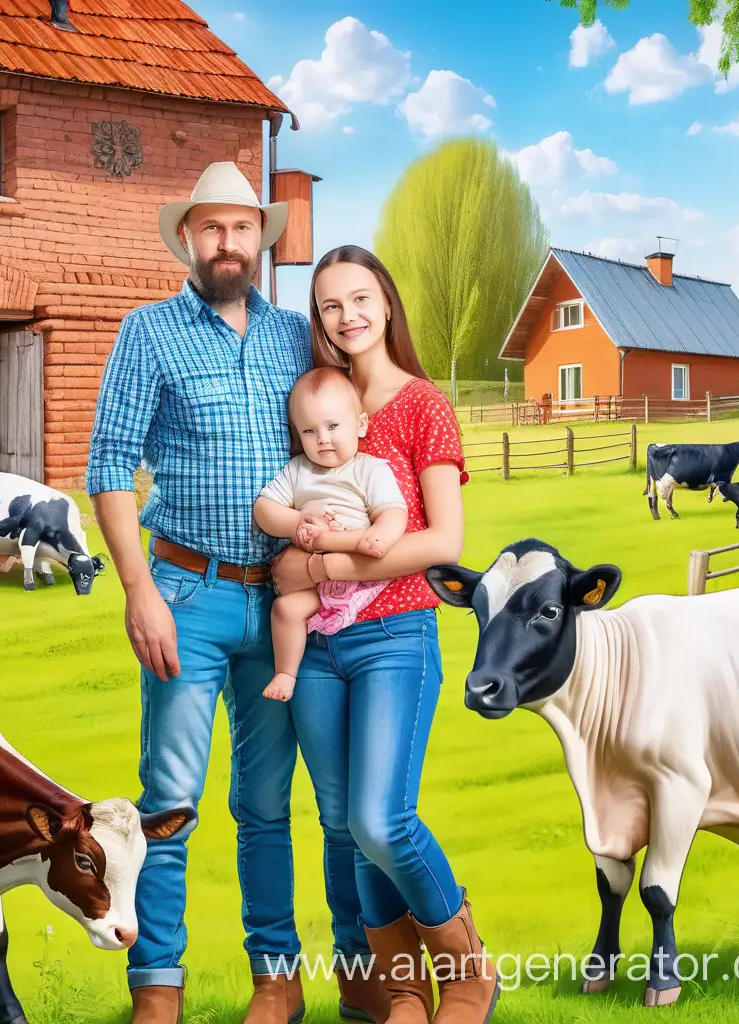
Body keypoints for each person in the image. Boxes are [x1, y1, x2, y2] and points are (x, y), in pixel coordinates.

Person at [86, 165, 389, 1024]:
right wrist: (138, 590)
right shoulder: (146, 333)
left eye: (243, 229)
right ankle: (158, 987)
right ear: (188, 238)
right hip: (185, 592)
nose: (229, 244)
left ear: (264, 238)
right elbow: (109, 466)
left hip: (289, 603)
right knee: (169, 801)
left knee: (267, 805)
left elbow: (356, 426)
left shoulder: (300, 335)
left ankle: (277, 980)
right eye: (212, 229)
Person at [271, 245, 500, 1023]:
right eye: (331, 306)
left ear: (388, 303)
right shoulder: (312, 402)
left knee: (380, 818)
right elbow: (287, 511)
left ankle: (468, 971)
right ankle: (399, 989)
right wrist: (296, 570)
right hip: (317, 647)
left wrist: (331, 561)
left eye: (361, 298)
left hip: (395, 633)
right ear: (319, 320)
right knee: (340, 825)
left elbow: (444, 544)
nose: (349, 317)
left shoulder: (421, 404)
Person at [254, 367, 407, 701]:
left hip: (357, 572)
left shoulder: (369, 469)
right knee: (284, 611)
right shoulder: (298, 471)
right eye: (309, 431)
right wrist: (296, 521)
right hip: (314, 585)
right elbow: (264, 509)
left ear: (361, 424)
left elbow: (393, 511)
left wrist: (380, 534)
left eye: (333, 426)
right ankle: (286, 673)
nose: (322, 438)